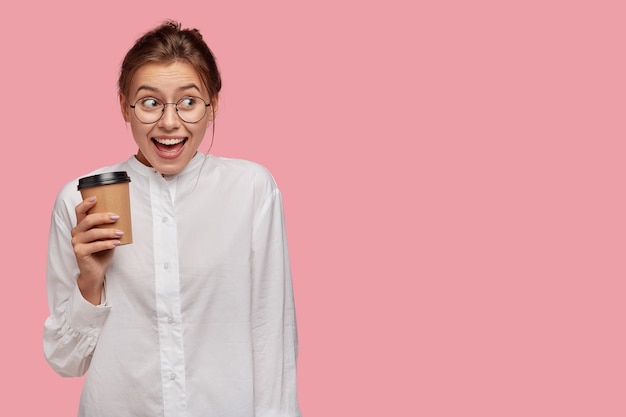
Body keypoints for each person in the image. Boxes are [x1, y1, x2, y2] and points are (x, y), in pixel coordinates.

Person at [43, 20, 301, 417]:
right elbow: (66, 361)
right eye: (149, 102)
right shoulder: (79, 200)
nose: (168, 122)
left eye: (188, 101)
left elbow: (272, 334)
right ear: (124, 107)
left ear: (212, 104)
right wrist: (89, 281)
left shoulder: (251, 190)